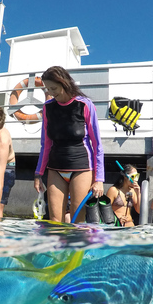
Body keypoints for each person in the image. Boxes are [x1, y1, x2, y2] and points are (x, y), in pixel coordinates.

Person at [34, 66, 104, 223]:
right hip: (55, 169)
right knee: (55, 221)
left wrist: (99, 179)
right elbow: (45, 144)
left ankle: (77, 248)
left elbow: (97, 146)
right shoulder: (48, 108)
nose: (51, 92)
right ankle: (58, 248)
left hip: (82, 169)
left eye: (54, 88)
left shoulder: (85, 105)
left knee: (77, 221)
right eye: (48, 89)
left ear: (64, 83)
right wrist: (38, 174)